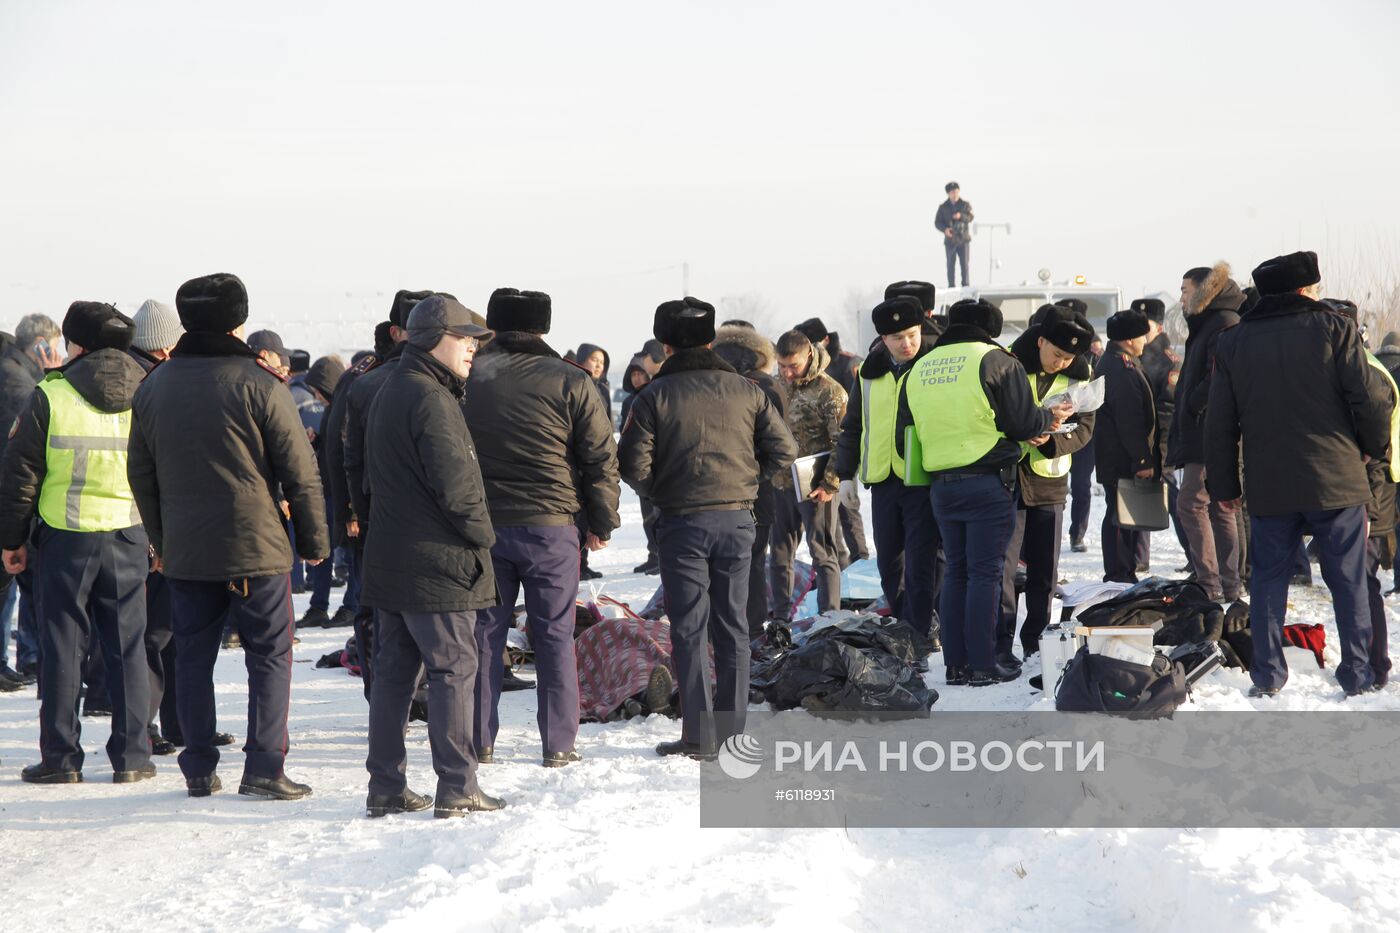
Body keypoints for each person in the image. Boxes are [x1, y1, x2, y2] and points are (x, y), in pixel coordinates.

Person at [128, 272, 329, 799]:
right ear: (239, 323)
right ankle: (264, 766)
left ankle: (198, 767)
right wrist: (313, 543)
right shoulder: (261, 384)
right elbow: (300, 472)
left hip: (188, 552)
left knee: (193, 656)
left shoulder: (154, 386)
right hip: (257, 548)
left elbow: (140, 475)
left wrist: (163, 540)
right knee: (270, 655)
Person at [1206, 252, 1391, 699]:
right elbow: (1369, 401)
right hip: (1337, 477)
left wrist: (1226, 487)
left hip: (1271, 483)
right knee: (1347, 579)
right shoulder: (1335, 328)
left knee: (1268, 578)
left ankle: (1267, 675)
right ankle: (1357, 673)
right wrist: (1372, 448)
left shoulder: (1233, 342)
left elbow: (1219, 422)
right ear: (1307, 290)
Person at [619, 297, 796, 758]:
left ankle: (698, 736)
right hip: (739, 518)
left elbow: (632, 465)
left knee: (689, 628)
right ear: (712, 339)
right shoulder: (748, 390)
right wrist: (746, 479)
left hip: (683, 522)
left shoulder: (653, 396)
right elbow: (785, 450)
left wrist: (664, 492)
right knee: (734, 626)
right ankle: (732, 732)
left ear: (664, 344)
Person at [362, 295, 504, 817]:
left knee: (395, 675)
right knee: (453, 671)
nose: (472, 347)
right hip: (437, 563)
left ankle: (386, 786)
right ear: (433, 339)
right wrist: (484, 539)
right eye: (464, 337)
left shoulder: (390, 387)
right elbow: (459, 489)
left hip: (393, 556)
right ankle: (458, 785)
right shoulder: (431, 398)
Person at [465, 288, 619, 768]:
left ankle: (478, 740)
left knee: (484, 634)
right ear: (544, 327)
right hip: (552, 527)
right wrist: (602, 521)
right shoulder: (571, 380)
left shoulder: (469, 376)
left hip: (484, 525)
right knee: (554, 636)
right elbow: (599, 457)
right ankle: (558, 744)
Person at [0, 303, 154, 784]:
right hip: (129, 535)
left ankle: (61, 759)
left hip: (66, 540)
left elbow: (20, 475)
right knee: (129, 647)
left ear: (78, 344)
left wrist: (12, 539)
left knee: (63, 647)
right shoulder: (148, 391)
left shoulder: (51, 394)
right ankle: (133, 758)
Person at [903, 298, 1066, 686]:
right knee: (985, 574)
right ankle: (982, 663)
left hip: (941, 484)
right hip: (988, 480)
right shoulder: (994, 359)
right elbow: (1023, 420)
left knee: (956, 571)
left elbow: (906, 430)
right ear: (989, 330)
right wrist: (1050, 418)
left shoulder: (921, 366)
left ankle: (956, 665)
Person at [834, 295, 942, 648]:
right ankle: (902, 622)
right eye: (897, 338)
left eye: (912, 334)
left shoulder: (933, 363)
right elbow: (853, 426)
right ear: (883, 340)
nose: (906, 343)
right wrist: (845, 473)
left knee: (921, 563)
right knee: (889, 563)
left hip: (922, 478)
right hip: (882, 480)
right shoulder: (869, 371)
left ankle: (917, 635)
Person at [342, 290, 435, 692]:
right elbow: (345, 457)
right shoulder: (368, 384)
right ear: (398, 331)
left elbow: (346, 463)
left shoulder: (368, 383)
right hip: (419, 521)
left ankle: (383, 695)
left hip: (378, 518)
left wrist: (354, 514)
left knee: (380, 613)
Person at [998, 306, 1097, 667]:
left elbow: (1085, 429)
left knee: (1044, 572)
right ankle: (1001, 640)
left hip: (1050, 482)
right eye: (1056, 354)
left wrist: (1054, 442)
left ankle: (1037, 638)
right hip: (1008, 477)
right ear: (1040, 341)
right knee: (1004, 570)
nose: (1060, 362)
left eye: (1068, 357)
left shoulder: (1080, 378)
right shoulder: (1009, 365)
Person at [127, 298, 191, 755]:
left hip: (137, 525)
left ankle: (170, 724)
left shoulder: (139, 378)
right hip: (152, 527)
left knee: (163, 631)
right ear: (166, 347)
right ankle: (152, 725)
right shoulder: (150, 385)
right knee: (158, 633)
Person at [1168, 264, 1244, 600]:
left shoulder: (1223, 323)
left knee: (1192, 504)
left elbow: (1217, 377)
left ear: (1203, 290)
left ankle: (1211, 583)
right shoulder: (1211, 322)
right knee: (1216, 507)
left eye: (1185, 290)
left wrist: (1193, 403)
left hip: (1211, 432)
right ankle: (1225, 584)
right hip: (1207, 430)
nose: (1181, 297)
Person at [0, 312, 64, 685]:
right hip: (16, 499)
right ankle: (31, 656)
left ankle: (28, 656)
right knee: (16, 583)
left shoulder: (16, 373)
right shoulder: (18, 382)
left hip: (14, 497)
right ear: (40, 345)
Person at [713, 321, 787, 637]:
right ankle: (753, 633)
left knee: (714, 568)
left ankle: (717, 634)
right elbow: (782, 446)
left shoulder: (708, 383)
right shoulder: (768, 387)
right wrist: (758, 476)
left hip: (710, 493)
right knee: (754, 565)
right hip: (756, 493)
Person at [769, 330, 846, 619]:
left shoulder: (830, 392)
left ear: (810, 356)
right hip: (779, 483)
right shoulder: (775, 386)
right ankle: (780, 618)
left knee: (822, 553)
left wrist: (830, 483)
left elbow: (843, 442)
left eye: (794, 366)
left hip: (816, 487)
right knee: (779, 554)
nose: (787, 373)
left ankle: (830, 618)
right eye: (781, 366)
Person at [1094, 309, 1157, 584]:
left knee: (1125, 515)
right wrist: (1142, 460)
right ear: (1130, 340)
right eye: (1142, 336)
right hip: (1121, 458)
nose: (1145, 341)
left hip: (1118, 456)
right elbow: (1130, 419)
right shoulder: (1120, 368)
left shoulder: (1119, 362)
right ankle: (1119, 573)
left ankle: (1125, 570)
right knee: (1120, 517)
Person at [1132, 297, 1187, 571]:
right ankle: (1139, 558)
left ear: (1160, 326)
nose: (1140, 330)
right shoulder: (1137, 354)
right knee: (1142, 492)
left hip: (1161, 438)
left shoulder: (1167, 358)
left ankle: (1195, 554)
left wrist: (1161, 446)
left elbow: (1168, 406)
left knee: (1173, 497)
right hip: (1142, 438)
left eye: (1146, 325)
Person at [300, 355, 352, 629]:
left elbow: (346, 451)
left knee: (350, 551)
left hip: (341, 493)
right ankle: (319, 606)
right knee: (323, 548)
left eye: (318, 391)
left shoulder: (344, 408)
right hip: (328, 491)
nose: (316, 397)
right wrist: (317, 440)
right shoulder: (334, 409)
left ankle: (351, 605)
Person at [618, 348, 659, 574]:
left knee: (659, 515)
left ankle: (661, 555)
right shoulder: (629, 402)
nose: (637, 378)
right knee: (648, 517)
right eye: (633, 374)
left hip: (657, 465)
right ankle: (653, 554)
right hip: (640, 467)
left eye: (641, 374)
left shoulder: (656, 395)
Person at [934, 181, 974, 288]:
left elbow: (970, 217)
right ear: (948, 193)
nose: (955, 194)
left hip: (963, 239)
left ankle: (965, 285)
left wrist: (961, 216)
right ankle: (951, 286)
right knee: (950, 265)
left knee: (964, 264)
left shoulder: (965, 205)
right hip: (950, 240)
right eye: (952, 192)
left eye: (956, 191)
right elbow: (937, 222)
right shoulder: (943, 207)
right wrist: (945, 229)